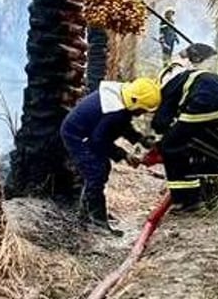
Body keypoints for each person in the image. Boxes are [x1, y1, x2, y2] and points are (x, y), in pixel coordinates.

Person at [151, 45, 218, 212]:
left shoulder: (170, 86)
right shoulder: (203, 76)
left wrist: (160, 137)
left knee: (171, 146)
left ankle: (187, 200)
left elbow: (160, 122)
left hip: (204, 106)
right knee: (212, 144)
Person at [60, 77, 162, 234]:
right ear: (134, 102)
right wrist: (123, 154)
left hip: (86, 132)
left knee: (101, 168)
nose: (141, 114)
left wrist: (140, 139)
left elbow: (122, 126)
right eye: (142, 110)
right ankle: (97, 222)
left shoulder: (121, 97)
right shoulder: (115, 113)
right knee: (96, 172)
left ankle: (88, 212)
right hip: (75, 136)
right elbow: (99, 141)